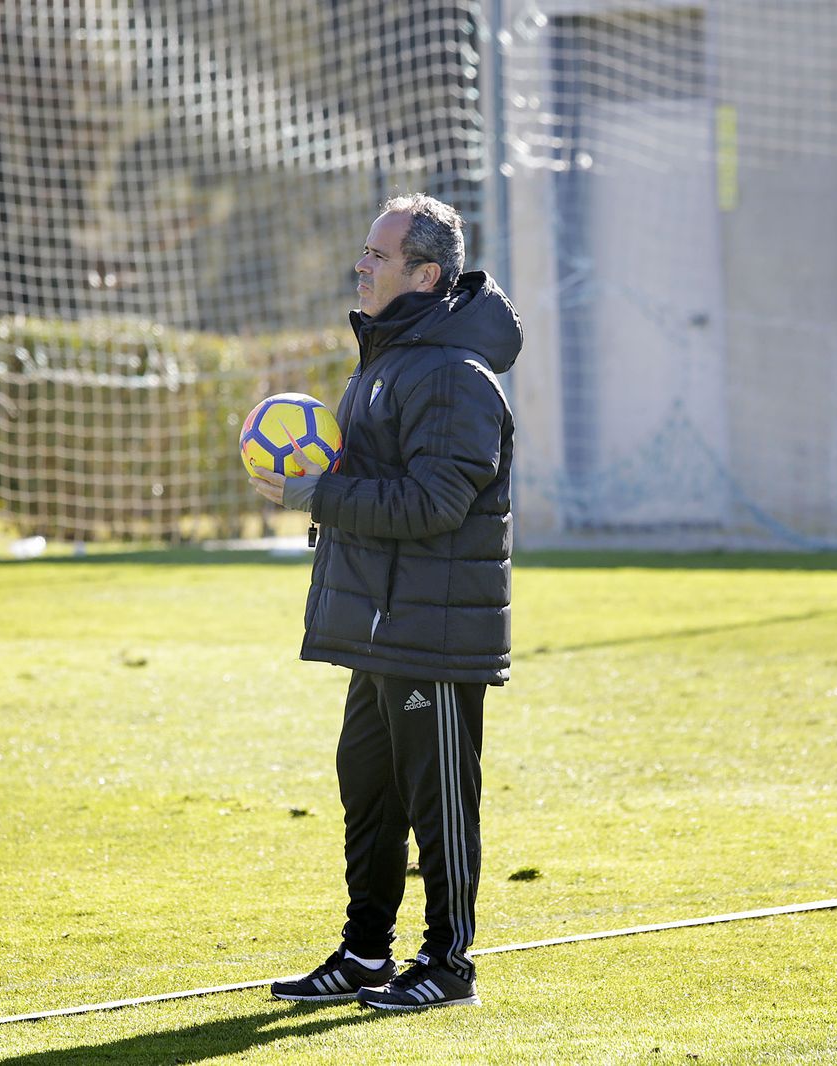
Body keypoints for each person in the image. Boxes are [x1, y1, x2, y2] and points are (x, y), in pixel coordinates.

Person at [249, 193, 521, 1011]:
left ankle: (448, 965)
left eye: (379, 255)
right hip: (379, 625)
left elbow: (434, 506)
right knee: (366, 789)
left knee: (438, 798)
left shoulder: (451, 375)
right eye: (364, 253)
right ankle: (366, 955)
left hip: (433, 632)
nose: (361, 266)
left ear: (425, 274)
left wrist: (318, 493)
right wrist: (319, 488)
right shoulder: (390, 360)